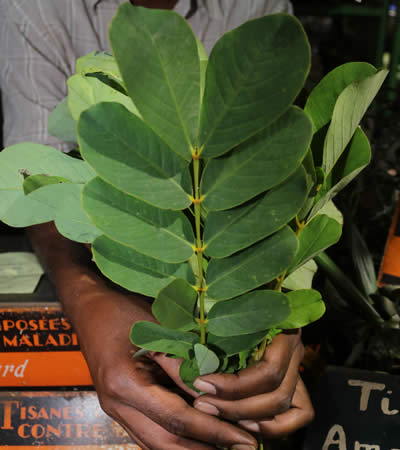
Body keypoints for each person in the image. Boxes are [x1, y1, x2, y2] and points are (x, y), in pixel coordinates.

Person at [0, 1, 314, 449]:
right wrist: (91, 299)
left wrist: (272, 315)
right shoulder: (33, 7)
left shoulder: (256, 6)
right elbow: (35, 190)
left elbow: (268, 174)